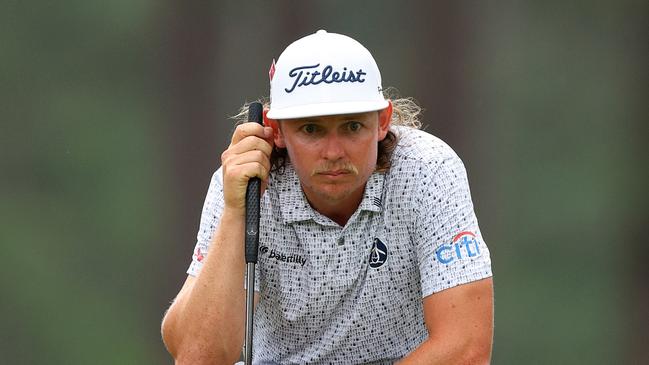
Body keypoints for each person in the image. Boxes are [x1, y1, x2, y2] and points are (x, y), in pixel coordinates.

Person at [161, 30, 494, 365]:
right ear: (275, 131)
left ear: (382, 121)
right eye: (311, 129)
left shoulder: (428, 170)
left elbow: (466, 349)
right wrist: (236, 213)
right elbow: (199, 356)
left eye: (351, 127)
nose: (333, 152)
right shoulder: (243, 182)